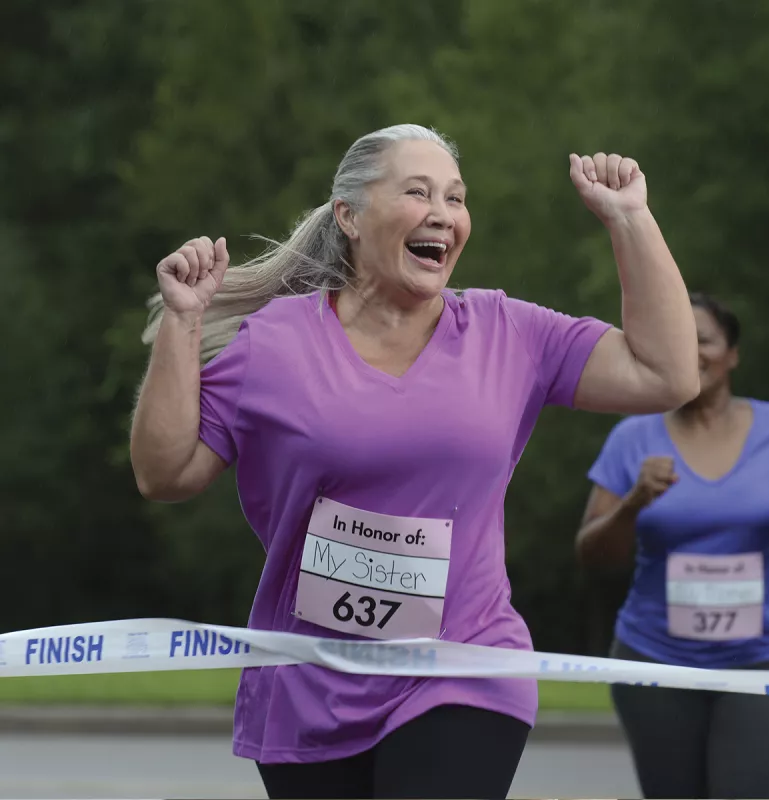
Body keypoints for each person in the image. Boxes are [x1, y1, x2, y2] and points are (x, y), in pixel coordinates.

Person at [130, 124, 698, 800]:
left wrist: (630, 220)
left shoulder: (508, 333)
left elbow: (665, 375)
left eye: (456, 199)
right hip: (310, 682)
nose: (444, 214)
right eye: (418, 192)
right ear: (349, 216)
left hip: (463, 668)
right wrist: (183, 321)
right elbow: (164, 475)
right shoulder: (273, 346)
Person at [576, 292, 769, 799]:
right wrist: (633, 502)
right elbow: (591, 557)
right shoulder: (633, 436)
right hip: (655, 656)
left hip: (763, 656)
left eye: (704, 339)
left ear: (733, 353)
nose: (691, 350)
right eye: (679, 339)